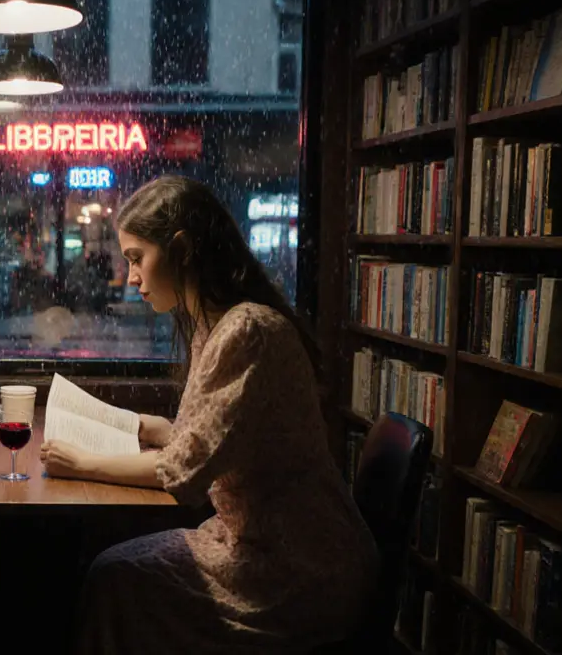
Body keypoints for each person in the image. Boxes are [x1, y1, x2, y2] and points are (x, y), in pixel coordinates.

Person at [40, 175, 378, 655]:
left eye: (137, 258)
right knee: (106, 563)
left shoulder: (247, 331)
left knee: (111, 575)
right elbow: (221, 440)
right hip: (267, 544)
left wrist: (81, 463)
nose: (130, 276)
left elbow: (183, 473)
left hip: (298, 567)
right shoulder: (217, 325)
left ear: (181, 249)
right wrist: (149, 426)